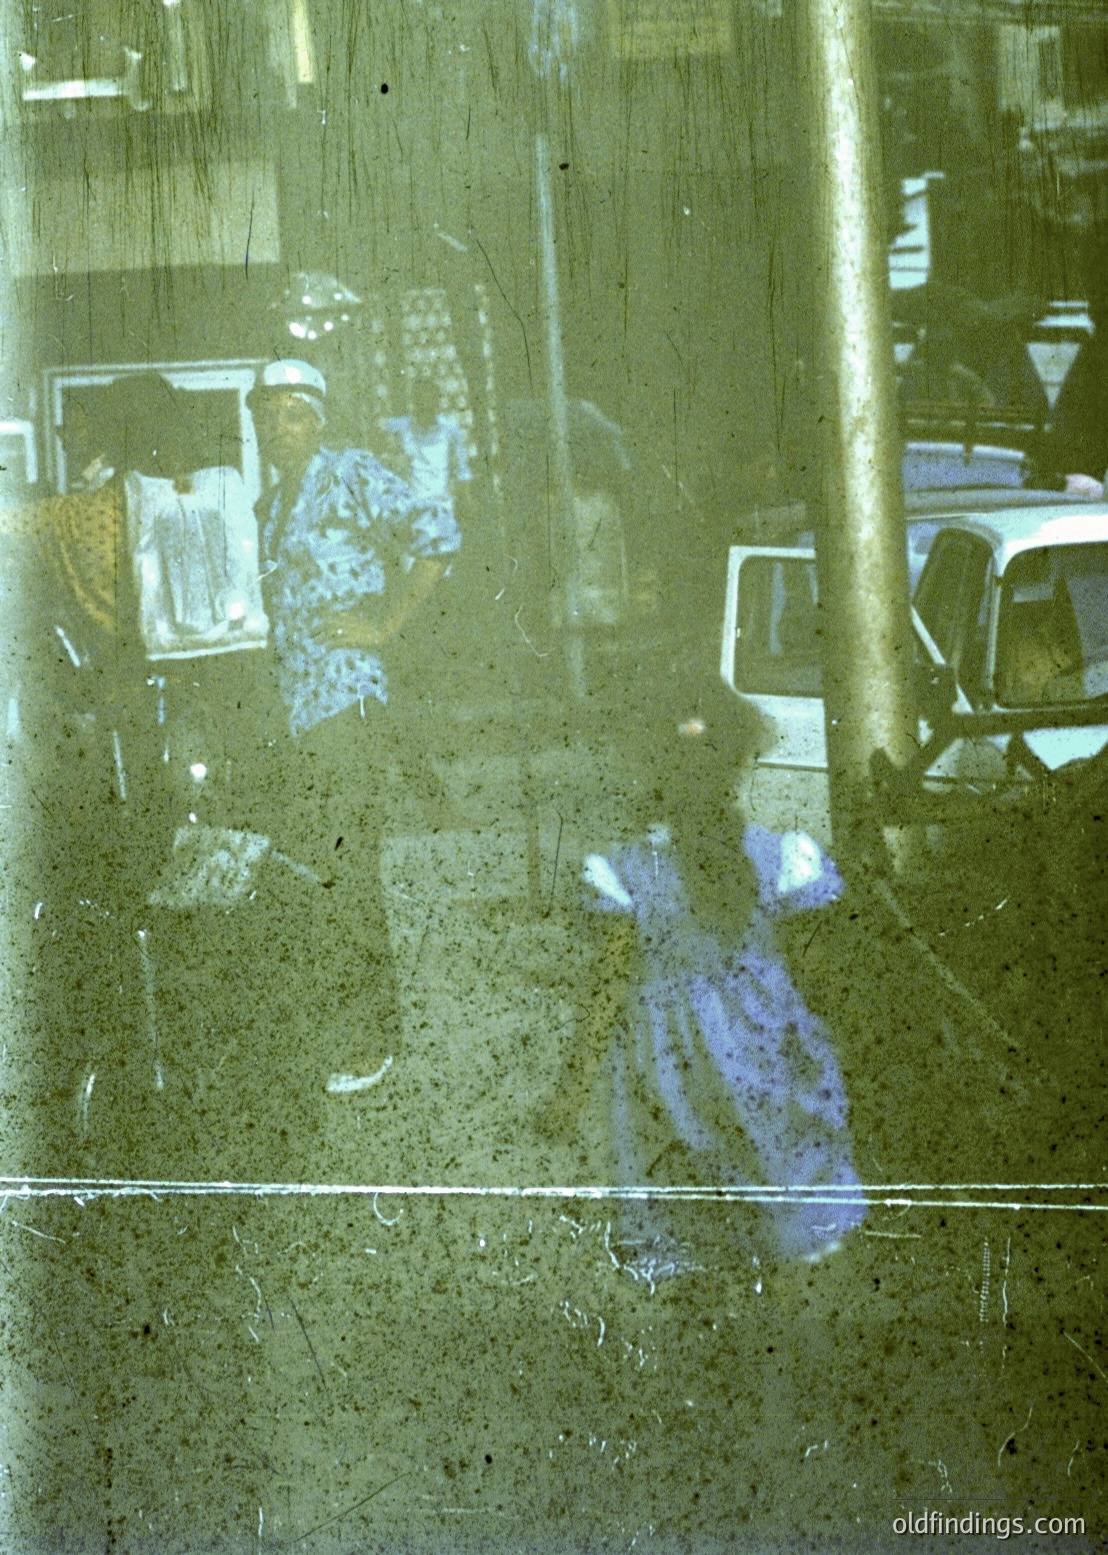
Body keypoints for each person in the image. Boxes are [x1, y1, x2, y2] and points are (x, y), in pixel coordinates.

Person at [535, 666, 864, 1285]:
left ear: (648, 770)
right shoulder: (781, 856)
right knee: (776, 1201)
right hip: (766, 1055)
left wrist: (570, 1090)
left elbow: (606, 989)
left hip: (668, 1069)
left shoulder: (624, 872)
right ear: (740, 765)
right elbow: (821, 979)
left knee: (690, 1213)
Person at [246, 358, 461, 1095]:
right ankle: (335, 1027)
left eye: (294, 413)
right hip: (297, 712)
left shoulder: (350, 473)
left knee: (346, 869)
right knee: (315, 869)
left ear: (319, 420)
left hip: (348, 701)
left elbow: (438, 535)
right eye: (268, 414)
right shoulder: (271, 504)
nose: (280, 427)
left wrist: (387, 623)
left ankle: (371, 1040)